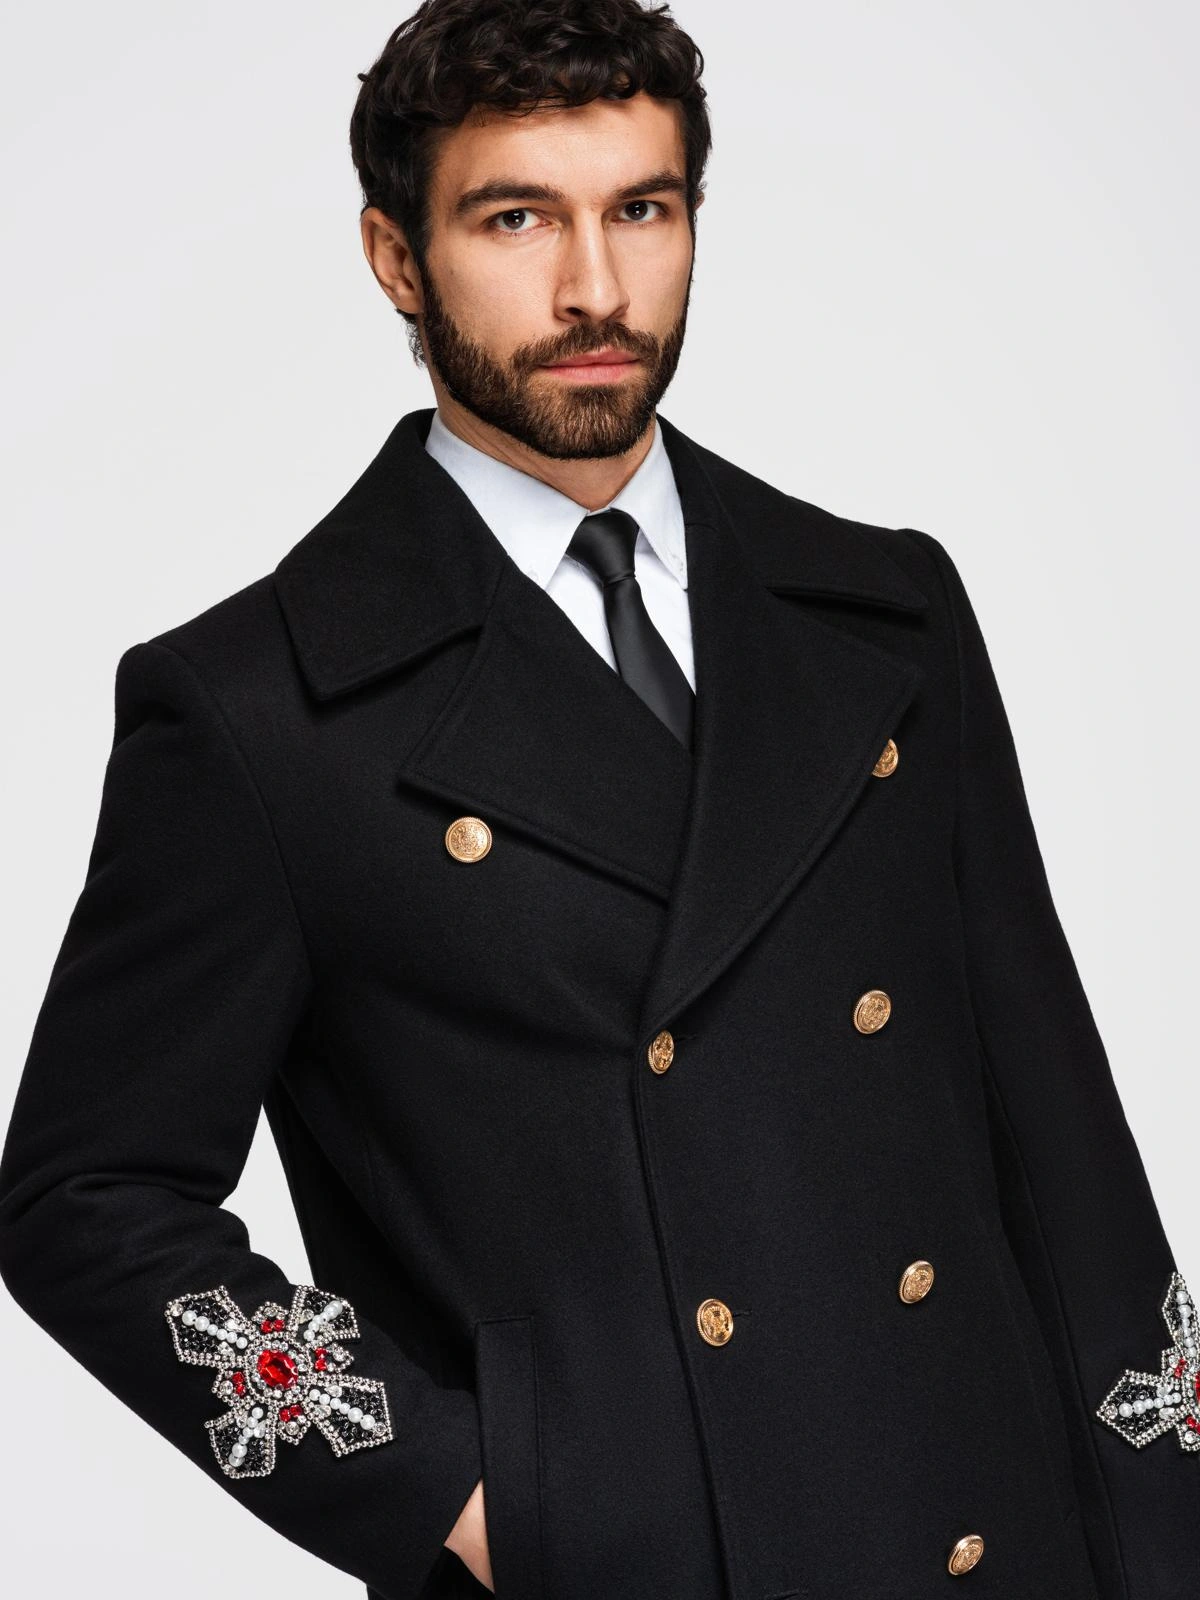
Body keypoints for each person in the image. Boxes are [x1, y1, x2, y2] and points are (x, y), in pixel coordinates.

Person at [0, 2, 1193, 1597]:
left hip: (1000, 1541)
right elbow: (84, 1197)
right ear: (396, 256)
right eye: (516, 219)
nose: (596, 290)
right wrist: (463, 1492)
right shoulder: (258, 711)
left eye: (642, 209)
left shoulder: (886, 612)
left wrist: (1171, 1533)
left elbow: (1067, 1150)